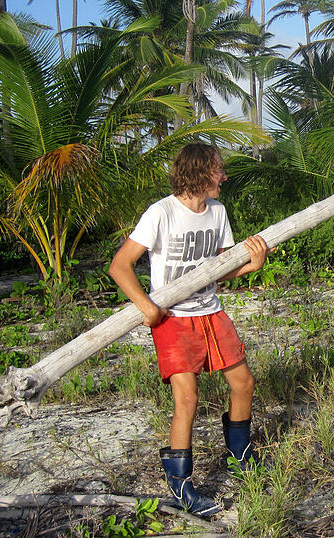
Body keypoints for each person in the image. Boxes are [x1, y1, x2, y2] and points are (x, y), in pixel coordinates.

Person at [109, 143, 269, 517]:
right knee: (187, 399)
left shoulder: (217, 212)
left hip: (211, 312)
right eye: (218, 170)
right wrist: (148, 307)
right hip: (173, 319)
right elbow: (120, 266)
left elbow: (220, 269)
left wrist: (252, 266)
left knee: (244, 383)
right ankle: (182, 487)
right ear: (198, 172)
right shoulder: (161, 213)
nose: (224, 176)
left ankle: (240, 457)